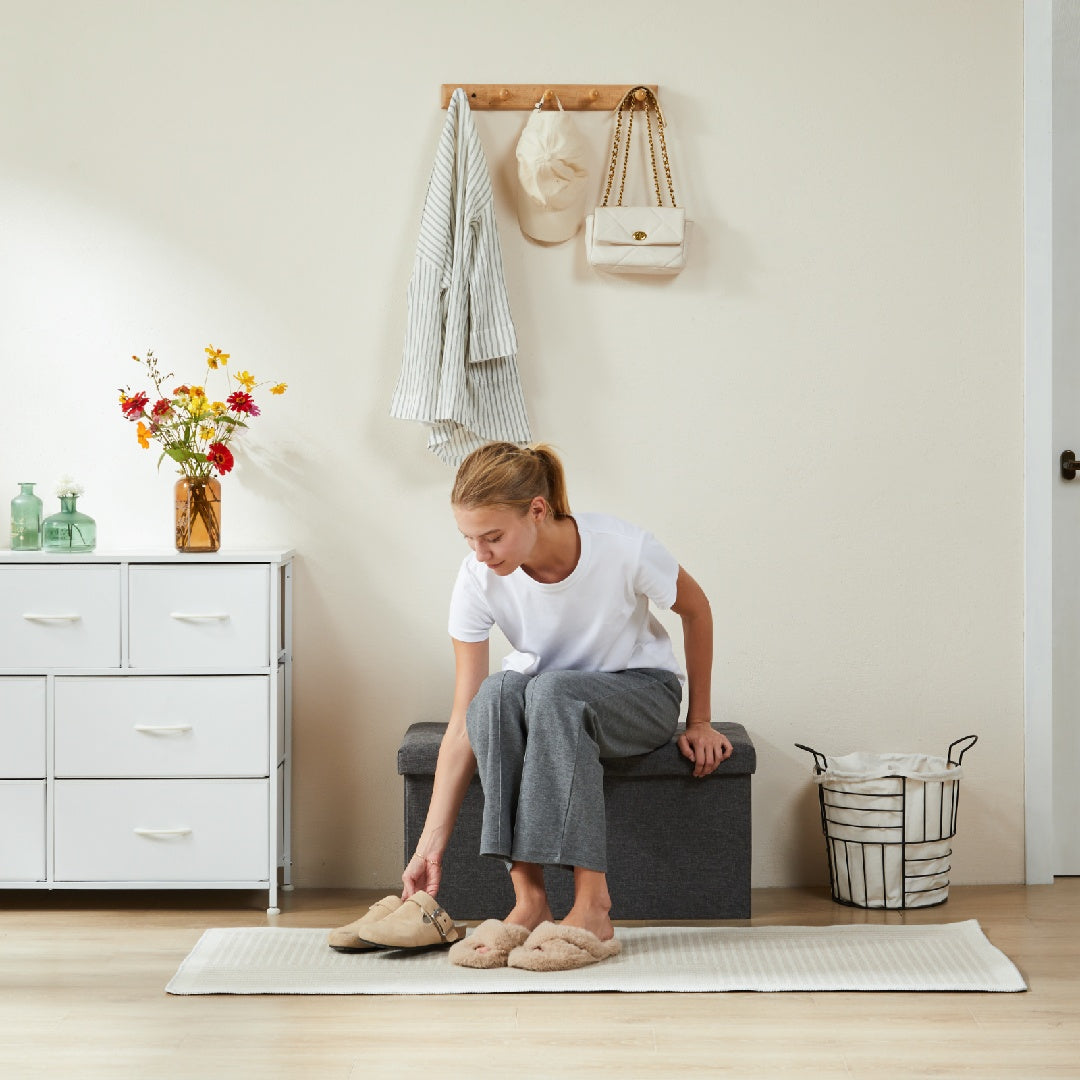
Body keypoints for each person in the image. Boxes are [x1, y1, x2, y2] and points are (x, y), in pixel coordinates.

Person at [402, 441, 733, 967]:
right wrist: (429, 843)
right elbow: (464, 720)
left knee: (552, 691)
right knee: (495, 694)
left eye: (492, 537)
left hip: (640, 692)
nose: (481, 554)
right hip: (548, 699)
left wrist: (699, 720)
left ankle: (593, 906)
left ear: (537, 509)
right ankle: (529, 900)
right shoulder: (477, 577)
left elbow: (697, 610)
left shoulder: (622, 546)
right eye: (469, 539)